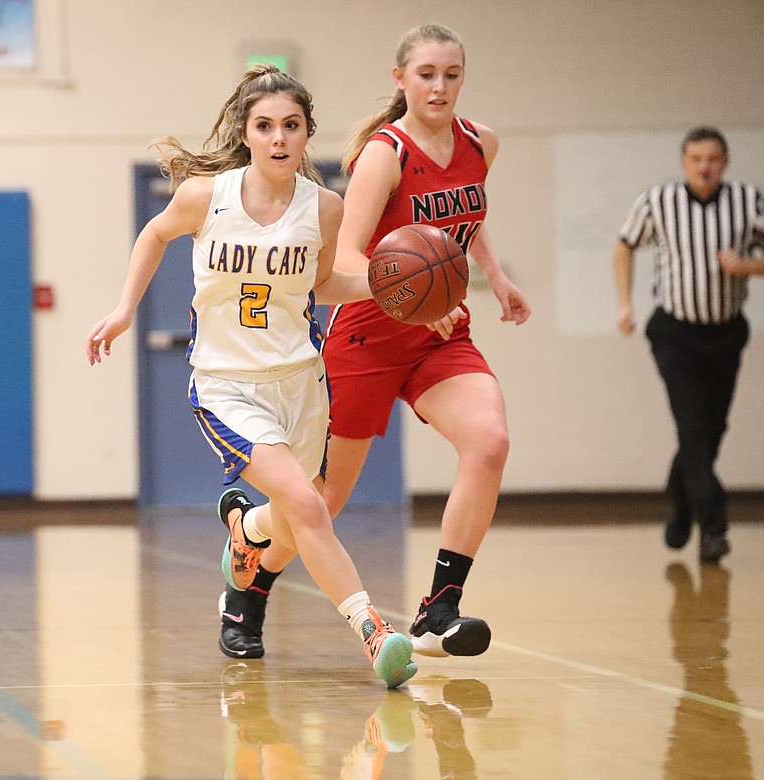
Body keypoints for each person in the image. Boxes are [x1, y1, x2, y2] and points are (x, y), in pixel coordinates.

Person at [86, 64, 417, 688]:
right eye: (265, 126)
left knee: (298, 515)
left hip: (300, 382)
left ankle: (245, 536)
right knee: (305, 506)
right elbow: (155, 235)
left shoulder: (324, 207)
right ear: (247, 131)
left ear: (306, 133)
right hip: (226, 385)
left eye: (291, 125)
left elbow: (325, 284)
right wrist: (125, 308)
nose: (278, 138)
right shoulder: (207, 195)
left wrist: (396, 288)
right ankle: (373, 631)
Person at [218, 24, 530, 662]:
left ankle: (439, 606)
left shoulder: (481, 143)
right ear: (401, 80)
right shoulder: (385, 154)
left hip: (441, 334)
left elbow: (463, 218)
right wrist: (409, 300)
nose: (439, 87)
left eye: (450, 74)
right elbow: (350, 255)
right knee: (321, 502)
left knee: (489, 441)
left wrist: (492, 274)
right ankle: (249, 567)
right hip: (366, 334)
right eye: (426, 75)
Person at [613, 127, 763, 565]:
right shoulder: (658, 202)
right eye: (696, 158)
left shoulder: (747, 202)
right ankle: (714, 528)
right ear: (683, 162)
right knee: (694, 425)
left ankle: (680, 502)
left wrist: (749, 266)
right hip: (674, 333)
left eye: (713, 158)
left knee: (709, 431)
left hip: (726, 331)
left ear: (726, 162)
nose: (705, 166)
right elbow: (624, 246)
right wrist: (624, 303)